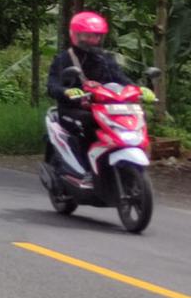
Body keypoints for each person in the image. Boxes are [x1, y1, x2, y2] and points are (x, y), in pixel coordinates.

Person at [46, 11, 153, 176]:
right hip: (74, 108)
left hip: (105, 107)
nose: (91, 40)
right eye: (86, 35)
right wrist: (66, 91)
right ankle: (84, 168)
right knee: (88, 123)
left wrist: (139, 90)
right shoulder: (64, 59)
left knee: (135, 117)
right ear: (75, 35)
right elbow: (52, 85)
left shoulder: (104, 58)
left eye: (95, 36)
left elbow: (120, 78)